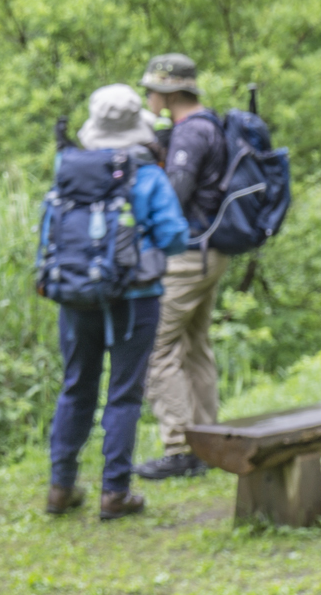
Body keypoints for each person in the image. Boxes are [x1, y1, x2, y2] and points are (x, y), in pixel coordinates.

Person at [42, 84, 188, 520]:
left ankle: (60, 487)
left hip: (75, 296)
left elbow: (50, 227)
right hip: (135, 299)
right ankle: (115, 492)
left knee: (76, 387)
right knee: (124, 394)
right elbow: (175, 236)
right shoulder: (147, 175)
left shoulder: (67, 168)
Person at [134, 53, 229, 480]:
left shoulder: (190, 134)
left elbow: (173, 197)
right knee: (195, 345)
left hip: (189, 255)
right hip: (212, 251)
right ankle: (208, 439)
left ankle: (179, 447)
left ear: (168, 91)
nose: (149, 97)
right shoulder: (211, 124)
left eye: (152, 89)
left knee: (156, 348)